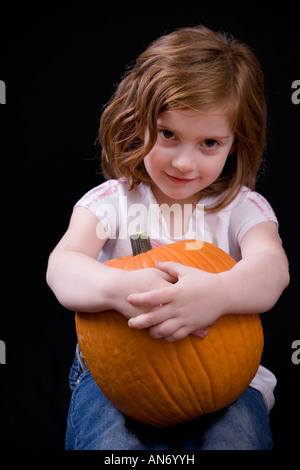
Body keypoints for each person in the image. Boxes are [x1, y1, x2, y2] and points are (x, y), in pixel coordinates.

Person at [46, 25, 289, 450]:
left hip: (226, 375)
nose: (183, 161)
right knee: (109, 447)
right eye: (168, 134)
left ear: (235, 144)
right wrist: (118, 287)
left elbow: (272, 270)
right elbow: (62, 266)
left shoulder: (241, 209)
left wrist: (219, 293)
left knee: (239, 441)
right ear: (139, 120)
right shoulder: (111, 202)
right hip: (119, 377)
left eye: (209, 143)